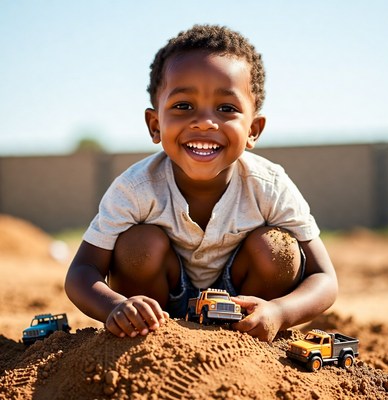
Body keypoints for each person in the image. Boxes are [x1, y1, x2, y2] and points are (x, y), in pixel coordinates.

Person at [65, 24, 338, 343]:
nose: (205, 121)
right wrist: (116, 306)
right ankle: (148, 333)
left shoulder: (268, 185)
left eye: (226, 108)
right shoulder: (135, 189)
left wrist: (280, 312)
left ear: (253, 129)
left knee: (277, 248)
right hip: (156, 311)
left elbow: (324, 278)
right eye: (183, 106)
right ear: (155, 125)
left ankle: (251, 336)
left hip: (242, 308)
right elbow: (81, 273)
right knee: (140, 244)